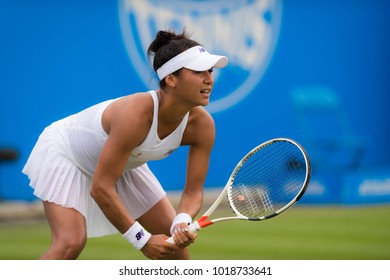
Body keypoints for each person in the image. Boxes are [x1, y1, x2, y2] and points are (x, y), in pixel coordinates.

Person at [22, 29, 228, 260]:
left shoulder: (202, 126)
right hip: (67, 153)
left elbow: (193, 191)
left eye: (210, 71)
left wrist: (182, 221)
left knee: (176, 253)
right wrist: (142, 240)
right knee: (70, 243)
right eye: (199, 71)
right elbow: (101, 188)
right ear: (171, 79)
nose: (209, 79)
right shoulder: (136, 115)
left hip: (124, 164)